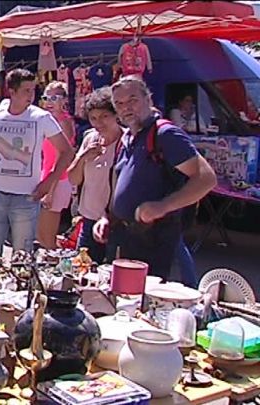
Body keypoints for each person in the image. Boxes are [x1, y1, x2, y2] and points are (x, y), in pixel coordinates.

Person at [93, 77, 217, 279]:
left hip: (154, 239)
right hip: (124, 238)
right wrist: (107, 217)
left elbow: (206, 179)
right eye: (120, 103)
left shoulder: (166, 134)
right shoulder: (127, 137)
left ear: (148, 98)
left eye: (132, 100)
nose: (126, 108)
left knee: (148, 303)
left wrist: (162, 206)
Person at [0, 69, 73, 255]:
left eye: (33, 90)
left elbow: (67, 151)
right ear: (12, 91)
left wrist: (49, 181)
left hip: (27, 197)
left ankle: (20, 284)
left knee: (23, 255)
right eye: (26, 90)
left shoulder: (41, 118)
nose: (31, 95)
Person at [67, 87, 125, 263]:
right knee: (82, 274)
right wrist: (84, 157)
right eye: (93, 118)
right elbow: (73, 178)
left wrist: (108, 216)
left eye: (104, 116)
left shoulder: (127, 141)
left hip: (115, 224)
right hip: (88, 221)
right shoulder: (89, 138)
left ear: (116, 115)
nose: (98, 123)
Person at [36, 81, 76, 249]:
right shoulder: (48, 121)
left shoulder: (64, 123)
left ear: (64, 100)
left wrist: (50, 191)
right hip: (47, 179)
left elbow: (62, 157)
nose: (49, 102)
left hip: (57, 181)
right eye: (46, 98)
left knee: (47, 238)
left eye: (55, 97)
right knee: (40, 234)